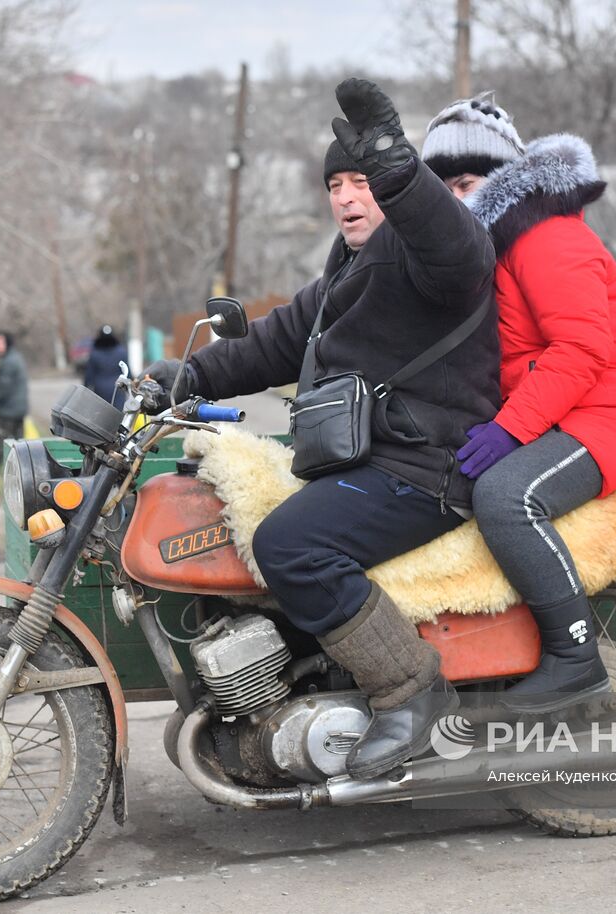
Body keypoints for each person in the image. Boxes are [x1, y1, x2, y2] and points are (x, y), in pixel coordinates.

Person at [146, 78, 498, 779]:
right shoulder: (350, 265)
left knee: (291, 545)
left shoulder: (428, 255)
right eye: (335, 182)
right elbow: (276, 339)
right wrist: (186, 378)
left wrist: (398, 166)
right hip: (372, 458)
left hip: (425, 464)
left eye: (360, 179)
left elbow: (459, 249)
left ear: (393, 186)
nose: (345, 195)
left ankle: (411, 691)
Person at [422, 92, 616, 714]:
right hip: (566, 413)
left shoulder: (544, 237)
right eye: (441, 188)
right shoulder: (493, 250)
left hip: (614, 414)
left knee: (508, 496)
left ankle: (575, 657)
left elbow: (583, 349)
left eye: (468, 182)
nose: (456, 199)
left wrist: (510, 430)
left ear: (504, 178)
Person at [0, 332, 29, 476]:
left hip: (8, 410)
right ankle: (22, 471)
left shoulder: (8, 362)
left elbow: (4, 387)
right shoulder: (16, 357)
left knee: (2, 440)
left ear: (7, 343)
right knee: (19, 442)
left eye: (0, 342)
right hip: (19, 409)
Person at [84, 324, 127, 406]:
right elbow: (127, 372)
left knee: (101, 415)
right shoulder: (121, 352)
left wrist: (85, 390)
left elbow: (89, 376)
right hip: (117, 389)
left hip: (100, 391)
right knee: (118, 415)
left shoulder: (94, 353)